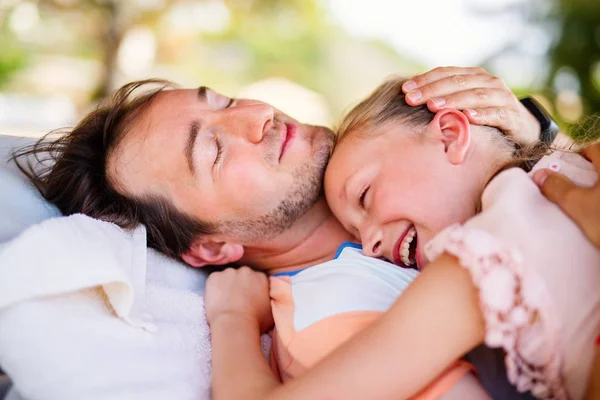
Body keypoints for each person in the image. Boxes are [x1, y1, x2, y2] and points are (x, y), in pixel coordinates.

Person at [15, 67, 543, 397]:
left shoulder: (403, 157)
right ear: (213, 247)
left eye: (224, 100)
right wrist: (232, 322)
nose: (257, 116)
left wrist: (522, 142)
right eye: (214, 151)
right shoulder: (332, 313)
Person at [205, 77, 600, 400]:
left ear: (448, 134)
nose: (371, 246)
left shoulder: (481, 265)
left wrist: (232, 318)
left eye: (365, 196)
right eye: (357, 233)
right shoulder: (579, 167)